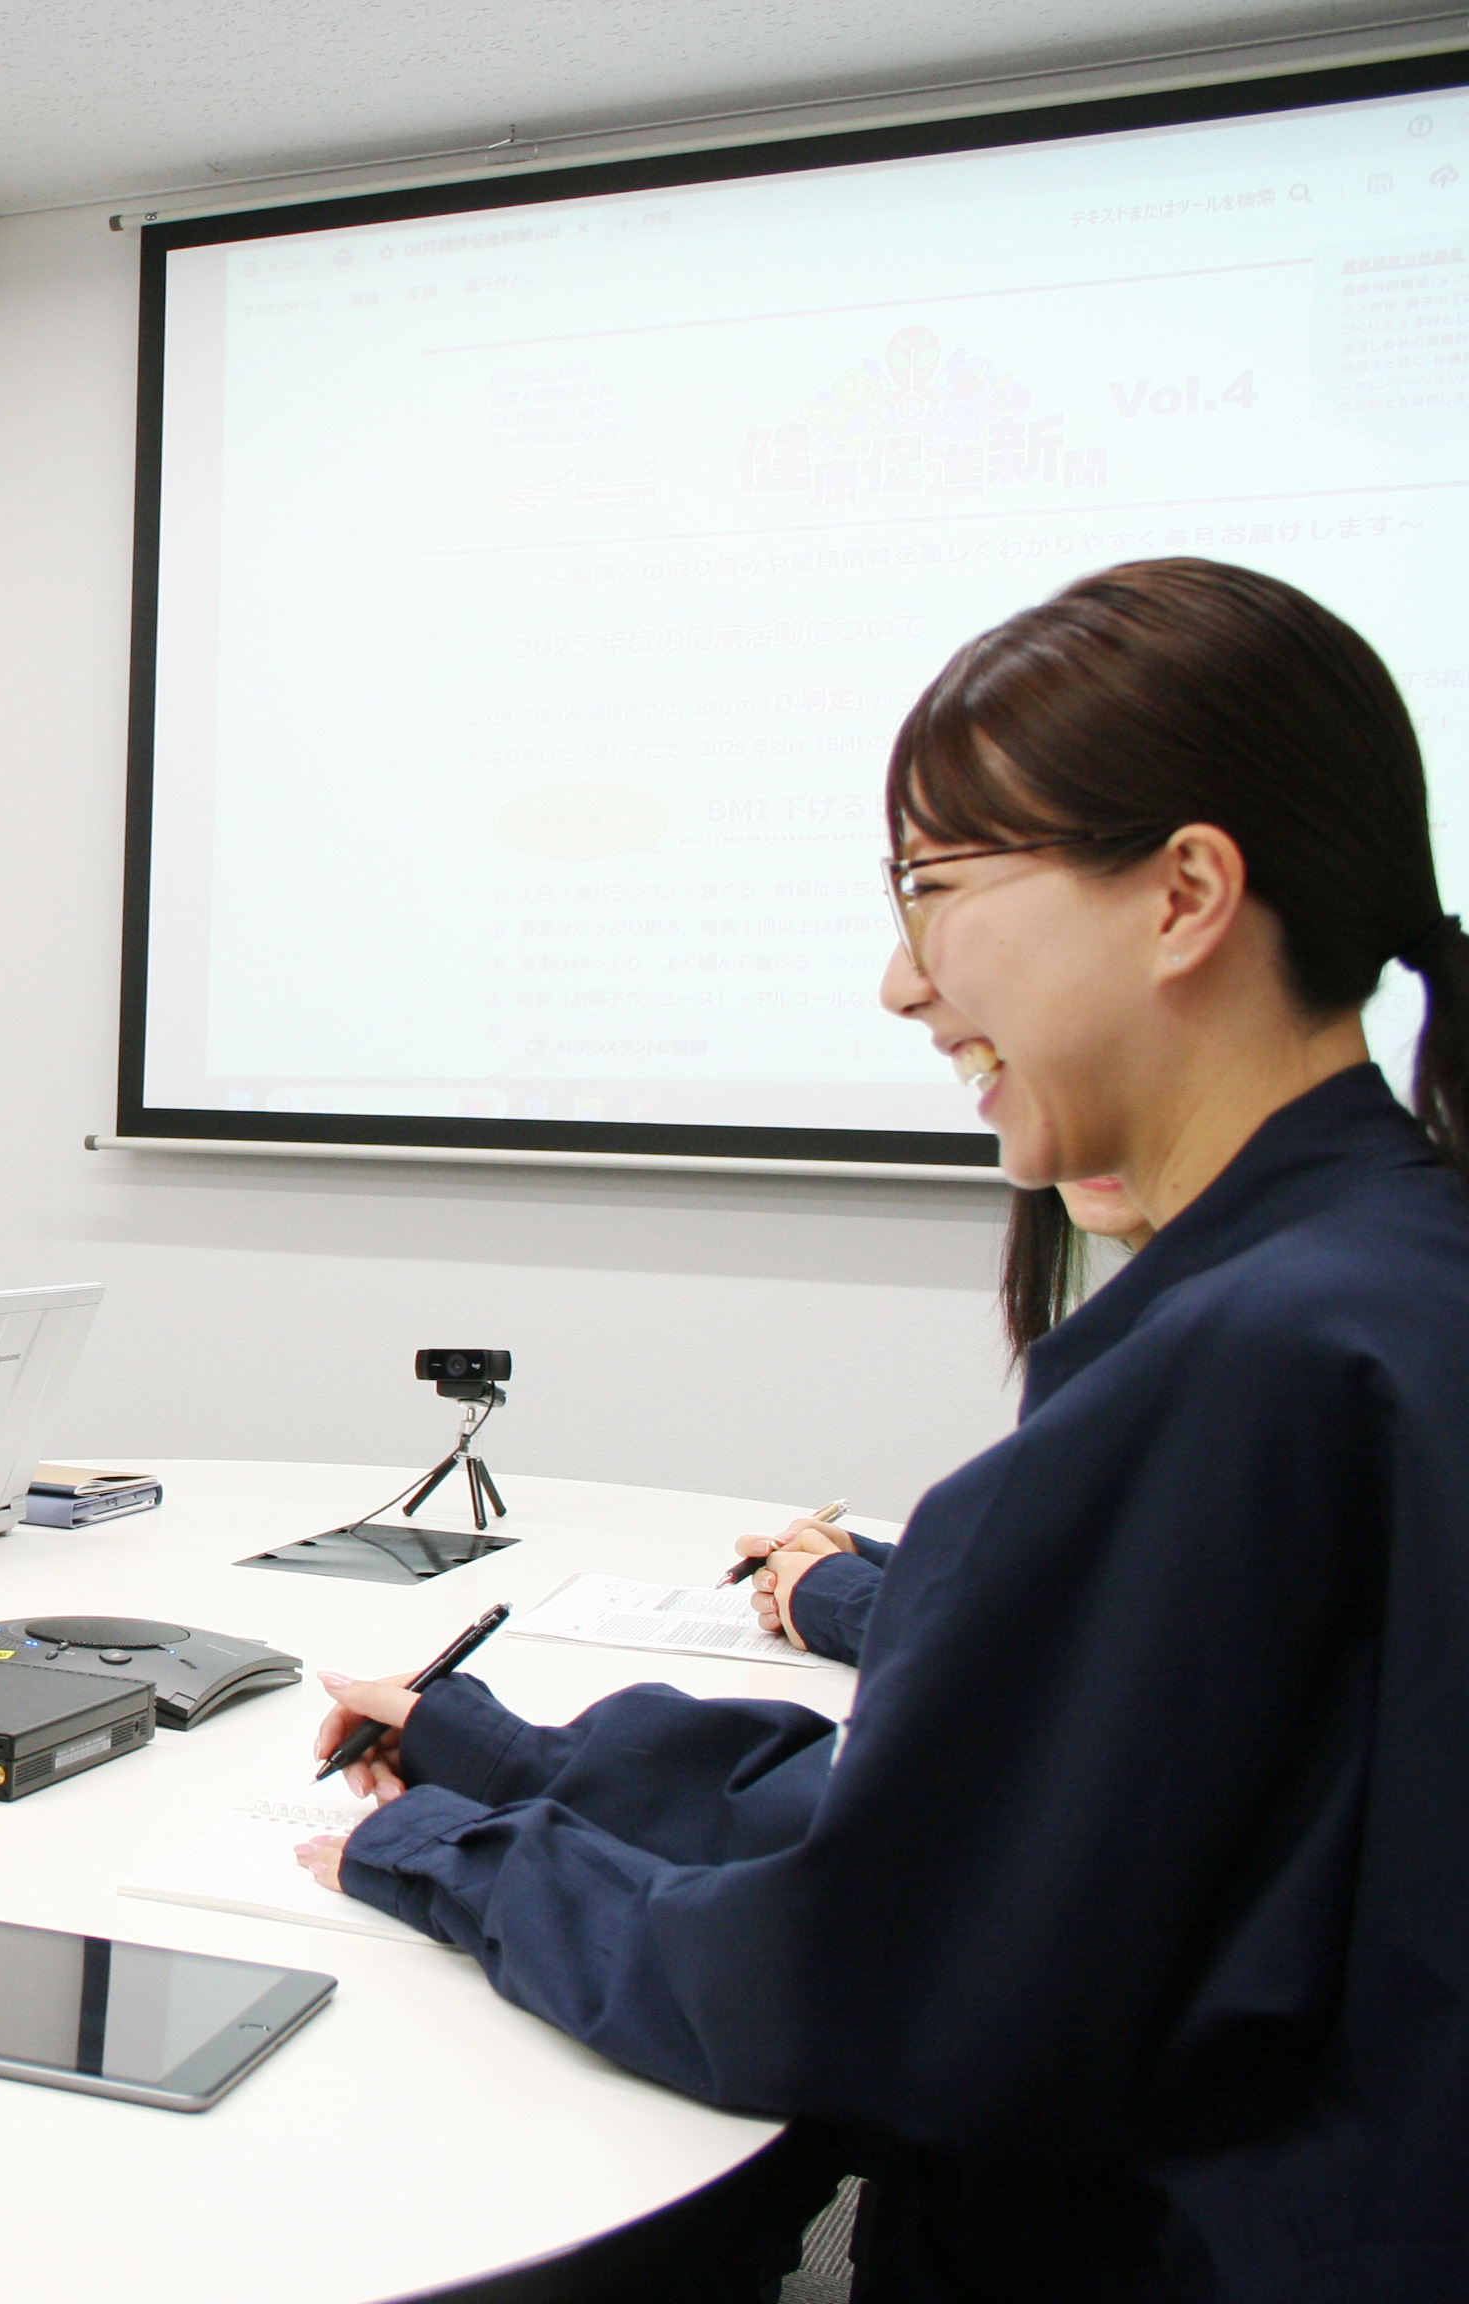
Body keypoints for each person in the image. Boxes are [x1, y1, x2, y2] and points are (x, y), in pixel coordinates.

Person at [298, 559, 1469, 2299]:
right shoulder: (1385, 1275)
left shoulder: (1247, 1361)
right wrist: (532, 1763)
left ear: (1185, 895)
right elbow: (1024, 1833)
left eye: (935, 891)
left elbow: (872, 1982)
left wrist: (447, 1853)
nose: (900, 985)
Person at [734, 1176, 1154, 1661]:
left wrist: (847, 1602)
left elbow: (1063, 1655)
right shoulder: (1143, 1317)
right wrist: (878, 1569)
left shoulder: (1200, 1342)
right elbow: (1076, 1592)